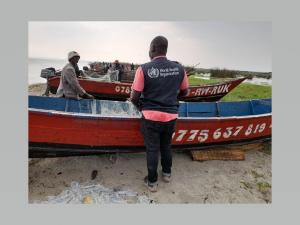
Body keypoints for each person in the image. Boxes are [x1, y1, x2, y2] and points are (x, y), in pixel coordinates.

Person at [130, 36, 189, 192]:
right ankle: (167, 174)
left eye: (149, 48)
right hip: (171, 117)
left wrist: (141, 106)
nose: (148, 52)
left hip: (151, 118)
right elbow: (185, 92)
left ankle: (152, 182)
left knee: (152, 149)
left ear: (154, 48)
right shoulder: (179, 68)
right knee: (166, 146)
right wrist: (172, 100)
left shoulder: (143, 69)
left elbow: (134, 98)